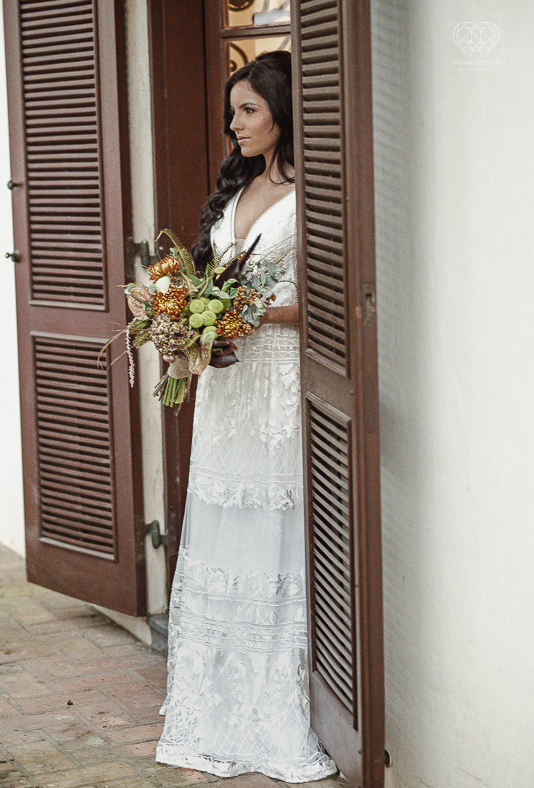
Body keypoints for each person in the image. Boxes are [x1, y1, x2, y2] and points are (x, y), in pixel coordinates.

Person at [156, 51, 337, 782]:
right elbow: (210, 276)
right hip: (227, 385)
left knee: (272, 522)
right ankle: (214, 700)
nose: (233, 125)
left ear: (283, 111)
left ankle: (277, 706)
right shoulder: (243, 185)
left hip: (279, 386)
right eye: (233, 112)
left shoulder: (317, 191)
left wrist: (250, 312)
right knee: (222, 521)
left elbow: (333, 295)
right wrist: (185, 318)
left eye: (248, 111)